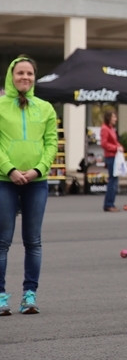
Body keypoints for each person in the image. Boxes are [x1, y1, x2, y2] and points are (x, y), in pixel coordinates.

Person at [0, 56, 57, 316]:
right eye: (20, 72)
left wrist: (38, 170)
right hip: (4, 181)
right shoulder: (0, 105)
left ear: (35, 77)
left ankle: (29, 295)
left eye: (30, 73)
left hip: (37, 182)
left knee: (33, 241)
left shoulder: (45, 108)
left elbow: (51, 144)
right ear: (11, 75)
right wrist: (10, 170)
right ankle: (1, 296)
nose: (25, 77)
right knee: (2, 241)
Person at [100, 110, 124, 212]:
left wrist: (119, 146)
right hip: (110, 156)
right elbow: (104, 143)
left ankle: (111, 203)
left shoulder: (111, 129)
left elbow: (114, 141)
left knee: (114, 180)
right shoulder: (105, 129)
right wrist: (115, 148)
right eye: (114, 117)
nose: (115, 119)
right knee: (112, 180)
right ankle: (108, 204)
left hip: (114, 156)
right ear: (109, 117)